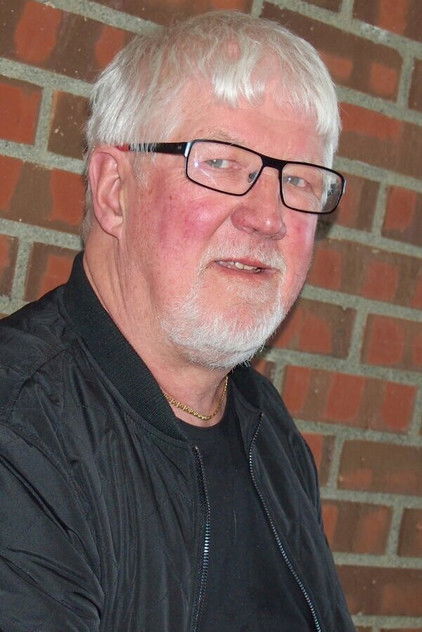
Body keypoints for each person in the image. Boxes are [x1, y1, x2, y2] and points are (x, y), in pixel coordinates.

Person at [0, 11, 355, 632]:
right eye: (220, 163)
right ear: (115, 191)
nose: (268, 217)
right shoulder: (21, 431)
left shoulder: (266, 427)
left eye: (298, 180)